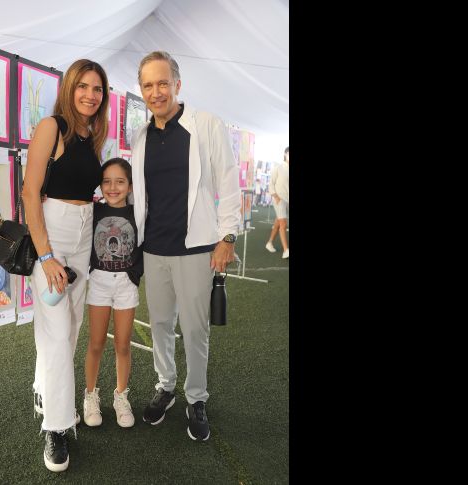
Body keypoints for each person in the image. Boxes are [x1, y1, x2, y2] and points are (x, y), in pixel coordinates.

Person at [130, 51, 240, 441]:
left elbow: (228, 182)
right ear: (141, 90)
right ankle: (166, 386)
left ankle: (196, 397)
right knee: (160, 323)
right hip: (154, 249)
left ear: (177, 84)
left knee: (195, 329)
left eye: (163, 83)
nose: (156, 92)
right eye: (148, 85)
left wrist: (227, 236)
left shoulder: (206, 125)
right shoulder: (141, 137)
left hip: (196, 249)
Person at [21, 59, 109, 472]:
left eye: (98, 88)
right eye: (84, 86)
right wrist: (45, 255)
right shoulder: (50, 126)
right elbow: (29, 192)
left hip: (83, 237)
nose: (91, 94)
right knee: (57, 333)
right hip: (52, 239)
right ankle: (56, 428)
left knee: (68, 330)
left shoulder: (93, 135)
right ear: (70, 88)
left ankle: (44, 388)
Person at [82, 158, 143, 429]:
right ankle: (90, 396)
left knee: (123, 344)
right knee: (96, 343)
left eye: (120, 181)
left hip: (125, 285)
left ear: (130, 185)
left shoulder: (138, 213)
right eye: (106, 181)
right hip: (99, 282)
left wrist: (135, 274)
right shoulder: (93, 211)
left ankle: (121, 396)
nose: (112, 187)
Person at [265, 146, 289, 259]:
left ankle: (269, 243)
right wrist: (276, 196)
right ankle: (286, 250)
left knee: (278, 223)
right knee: (283, 223)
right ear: (285, 154)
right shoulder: (278, 168)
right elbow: (271, 184)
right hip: (279, 199)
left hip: (287, 200)